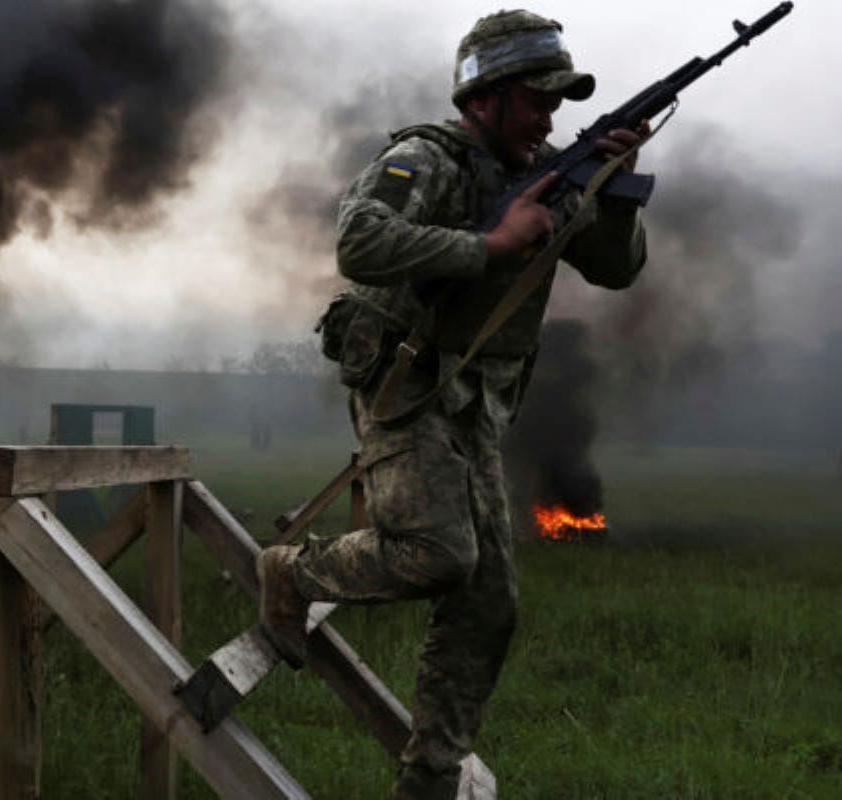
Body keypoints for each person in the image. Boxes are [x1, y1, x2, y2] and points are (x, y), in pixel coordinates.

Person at [257, 10, 649, 799]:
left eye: (556, 104)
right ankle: (291, 572)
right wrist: (489, 245)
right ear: (483, 98)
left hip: (474, 406)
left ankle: (430, 779)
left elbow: (615, 270)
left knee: (490, 604)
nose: (548, 120)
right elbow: (360, 240)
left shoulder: (546, 176)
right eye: (535, 101)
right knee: (439, 555)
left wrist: (615, 193)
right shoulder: (426, 159)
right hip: (406, 385)